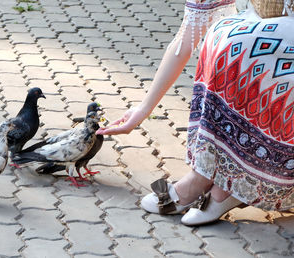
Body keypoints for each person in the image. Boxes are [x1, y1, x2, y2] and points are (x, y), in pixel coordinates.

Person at [97, 0, 294, 226]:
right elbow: (187, 36)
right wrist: (143, 109)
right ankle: (208, 173)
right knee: (221, 36)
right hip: (264, 25)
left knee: (243, 42)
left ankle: (229, 185)